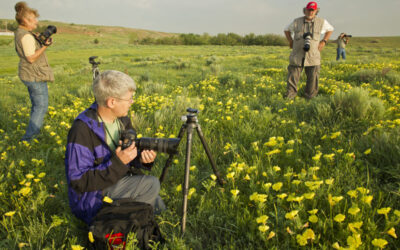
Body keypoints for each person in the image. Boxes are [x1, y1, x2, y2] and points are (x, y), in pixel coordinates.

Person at [65, 70, 165, 225]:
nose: (132, 102)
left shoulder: (122, 120)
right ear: (112, 102)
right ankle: (120, 228)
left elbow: (128, 155)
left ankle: (137, 215)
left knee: (157, 202)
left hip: (116, 178)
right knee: (151, 185)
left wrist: (142, 160)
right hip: (92, 195)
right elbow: (79, 181)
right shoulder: (82, 130)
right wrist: (118, 163)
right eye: (129, 98)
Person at [14, 2, 54, 141]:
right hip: (34, 75)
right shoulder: (26, 36)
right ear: (25, 20)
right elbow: (31, 58)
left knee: (37, 106)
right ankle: (29, 139)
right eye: (34, 19)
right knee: (40, 107)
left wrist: (38, 39)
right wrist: (45, 46)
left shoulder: (23, 33)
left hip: (29, 74)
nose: (36, 22)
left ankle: (32, 134)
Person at [284, 1, 333, 99]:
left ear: (316, 11)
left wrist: (324, 41)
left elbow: (330, 29)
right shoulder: (296, 21)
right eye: (308, 10)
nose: (310, 12)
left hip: (313, 55)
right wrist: (290, 41)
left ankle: (310, 98)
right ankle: (290, 97)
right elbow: (286, 30)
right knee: (293, 77)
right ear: (305, 10)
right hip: (297, 55)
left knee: (313, 78)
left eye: (313, 10)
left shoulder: (322, 22)